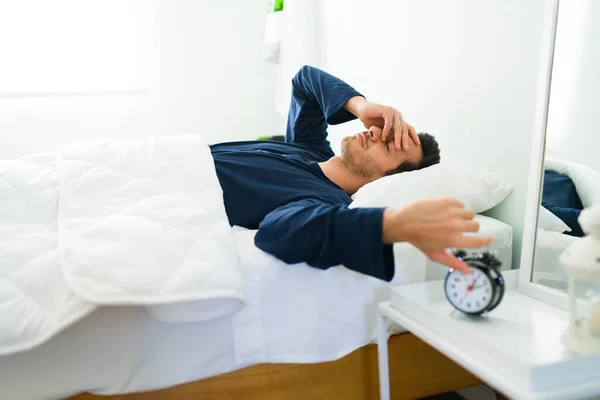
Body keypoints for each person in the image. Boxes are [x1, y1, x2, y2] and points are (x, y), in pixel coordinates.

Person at [210, 65, 492, 281]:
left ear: (387, 179)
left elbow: (280, 232)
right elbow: (305, 80)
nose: (375, 131)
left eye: (390, 144)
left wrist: (389, 224)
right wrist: (360, 105)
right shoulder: (310, 148)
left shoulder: (323, 201)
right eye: (387, 129)